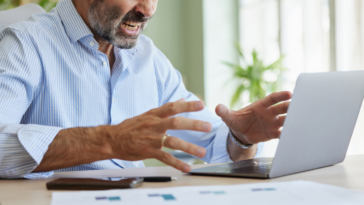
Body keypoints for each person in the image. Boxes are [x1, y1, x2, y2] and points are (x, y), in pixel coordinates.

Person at [0, 0, 291, 179]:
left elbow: (212, 144)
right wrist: (109, 141)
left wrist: (240, 137)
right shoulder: (25, 44)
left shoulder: (147, 58)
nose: (147, 9)